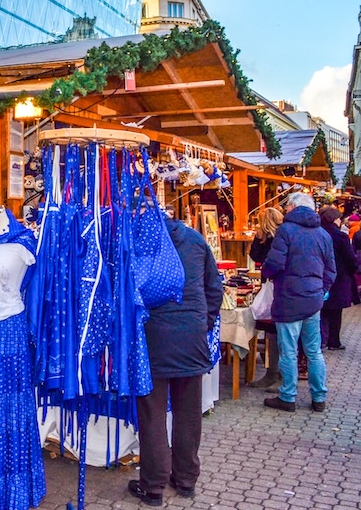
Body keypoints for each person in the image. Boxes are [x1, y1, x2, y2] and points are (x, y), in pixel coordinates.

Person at [127, 215, 223, 506]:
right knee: (188, 412)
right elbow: (214, 288)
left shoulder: (138, 240)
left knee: (152, 414)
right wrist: (202, 322)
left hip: (152, 336)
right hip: (191, 337)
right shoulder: (194, 239)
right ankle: (185, 480)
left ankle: (154, 485)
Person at [261, 192, 336, 413]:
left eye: (287, 207)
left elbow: (274, 263)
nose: (285, 210)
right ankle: (319, 397)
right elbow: (331, 269)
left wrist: (266, 274)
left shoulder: (286, 231)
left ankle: (288, 396)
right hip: (313, 299)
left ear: (293, 207)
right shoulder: (323, 234)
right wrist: (321, 290)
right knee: (314, 351)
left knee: (289, 351)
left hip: (289, 298)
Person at [248, 207, 284, 389]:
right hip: (273, 287)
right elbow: (256, 256)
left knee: (275, 331)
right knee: (273, 332)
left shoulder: (277, 240)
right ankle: (274, 373)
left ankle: (275, 374)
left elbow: (263, 260)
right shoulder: (272, 238)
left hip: (275, 288)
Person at [319, 207, 356, 351]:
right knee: (336, 312)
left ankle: (321, 339)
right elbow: (350, 258)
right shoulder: (340, 236)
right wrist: (351, 270)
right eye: (339, 218)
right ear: (334, 219)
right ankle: (333, 341)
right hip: (339, 278)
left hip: (321, 276)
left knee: (321, 310)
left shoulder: (318, 234)